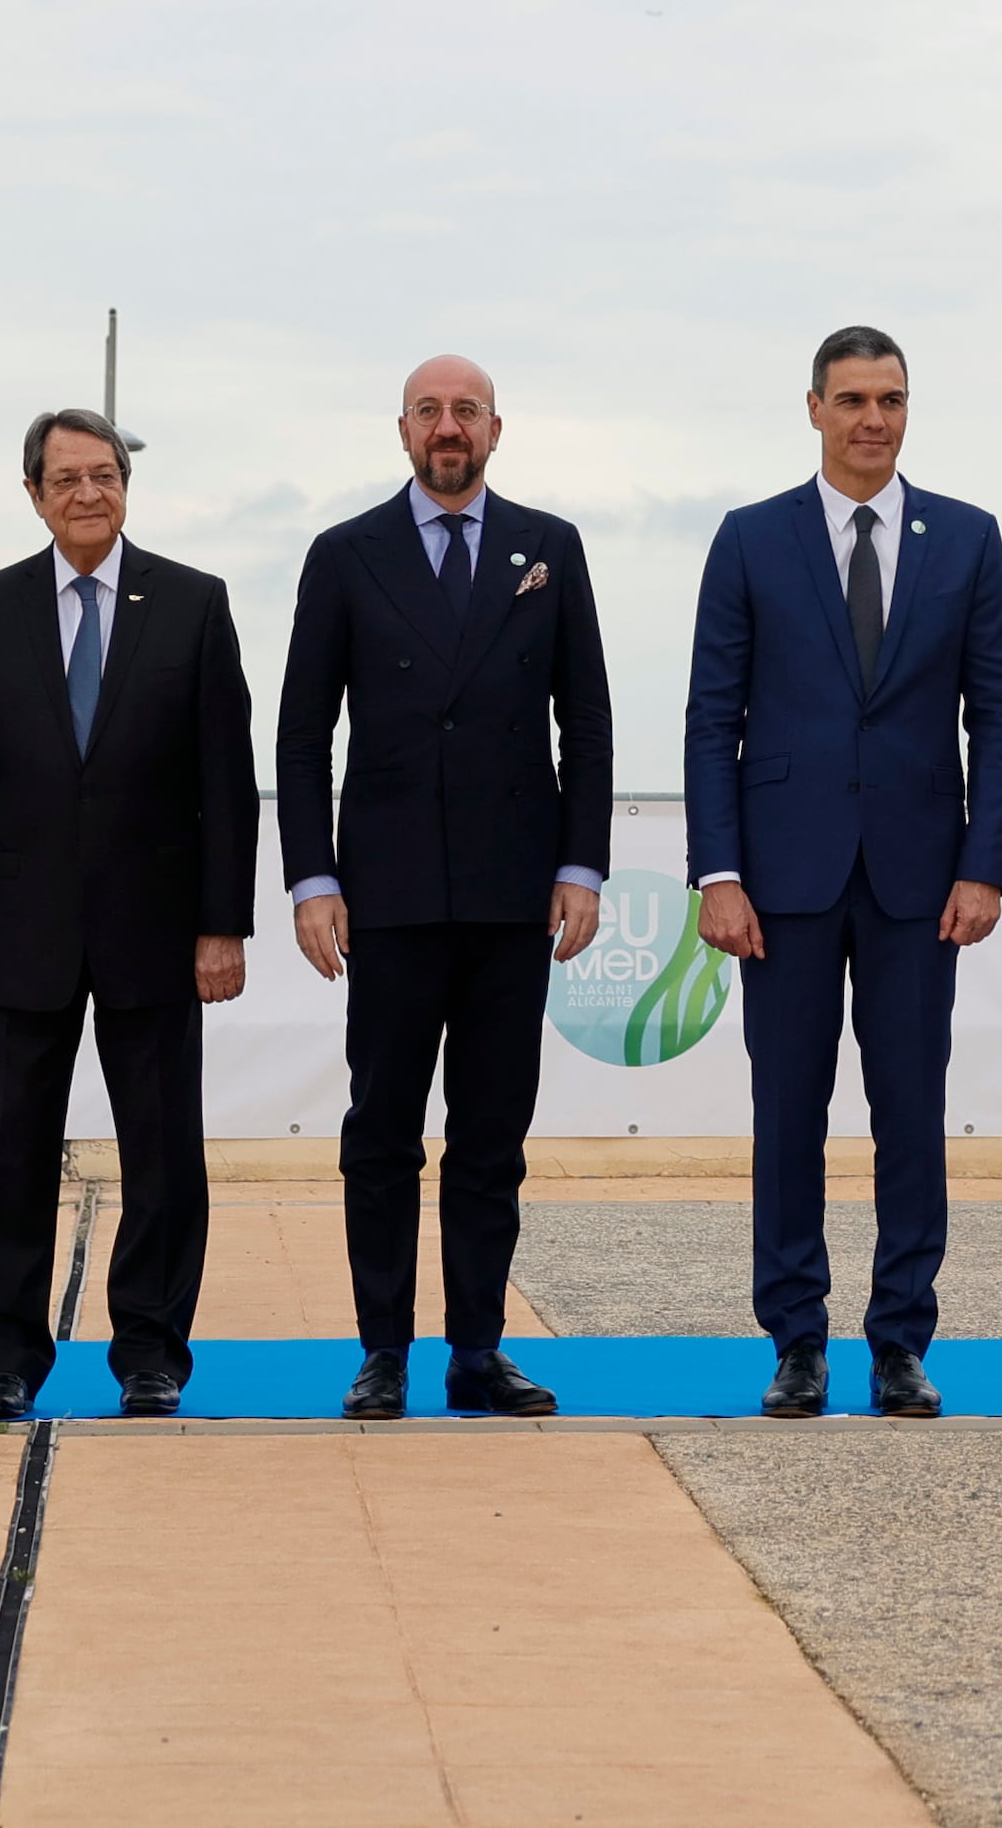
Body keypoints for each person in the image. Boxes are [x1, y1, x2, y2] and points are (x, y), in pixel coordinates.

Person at [684, 325, 1002, 1419]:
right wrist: (717, 871)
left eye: (890, 399)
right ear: (814, 408)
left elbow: (998, 716)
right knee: (786, 1111)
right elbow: (710, 717)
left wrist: (984, 866)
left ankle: (897, 1341)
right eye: (851, 400)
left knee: (909, 1110)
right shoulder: (748, 539)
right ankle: (794, 1339)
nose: (872, 419)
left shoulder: (966, 539)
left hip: (920, 883)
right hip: (778, 881)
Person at [278, 357, 610, 1422]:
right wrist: (310, 876)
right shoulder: (343, 555)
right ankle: (383, 1350)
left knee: (490, 1134)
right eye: (429, 411)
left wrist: (579, 865)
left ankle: (476, 1350)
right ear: (402, 431)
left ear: (496, 429)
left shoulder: (548, 549)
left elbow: (586, 719)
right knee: (379, 1129)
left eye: (465, 410)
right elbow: (299, 732)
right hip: (386, 894)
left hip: (513, 894)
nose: (447, 426)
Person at [0, 406, 256, 1421]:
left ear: (126, 484)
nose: (86, 492)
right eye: (64, 477)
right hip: (21, 930)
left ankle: (150, 1352)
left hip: (157, 930)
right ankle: (5, 1358)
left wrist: (222, 923)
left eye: (103, 474)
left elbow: (226, 780)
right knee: (11, 1154)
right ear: (33, 493)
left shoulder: (193, 604)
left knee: (163, 1150)